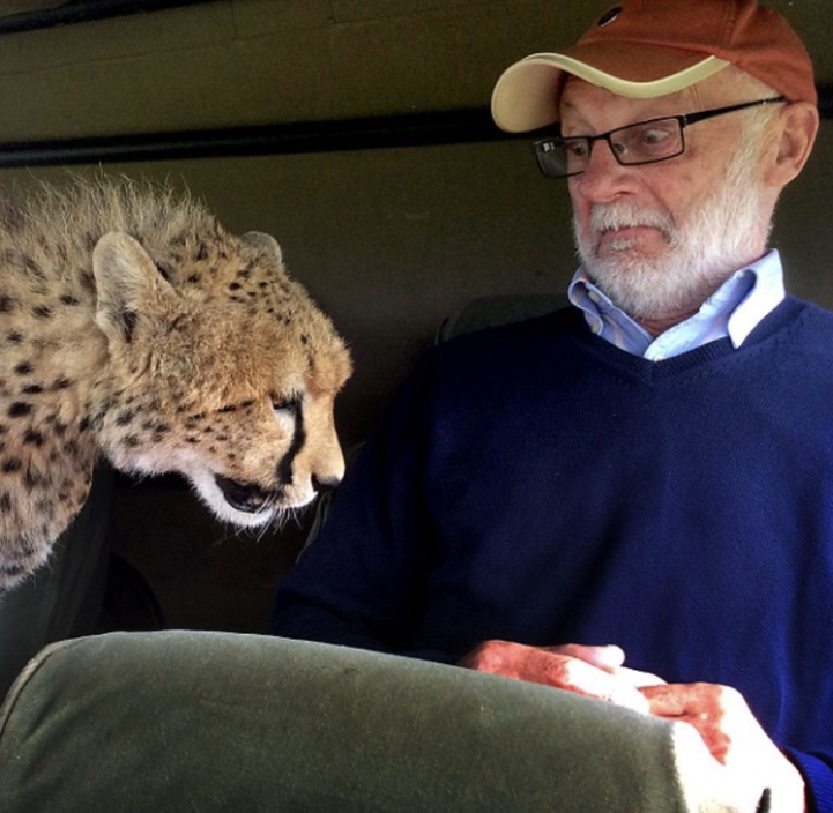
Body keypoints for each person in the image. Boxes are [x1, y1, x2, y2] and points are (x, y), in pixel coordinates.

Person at [269, 1, 826, 810]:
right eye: (576, 143)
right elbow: (303, 647)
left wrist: (794, 782)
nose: (598, 182)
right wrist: (454, 695)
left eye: (650, 135)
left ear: (786, 143)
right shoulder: (456, 386)